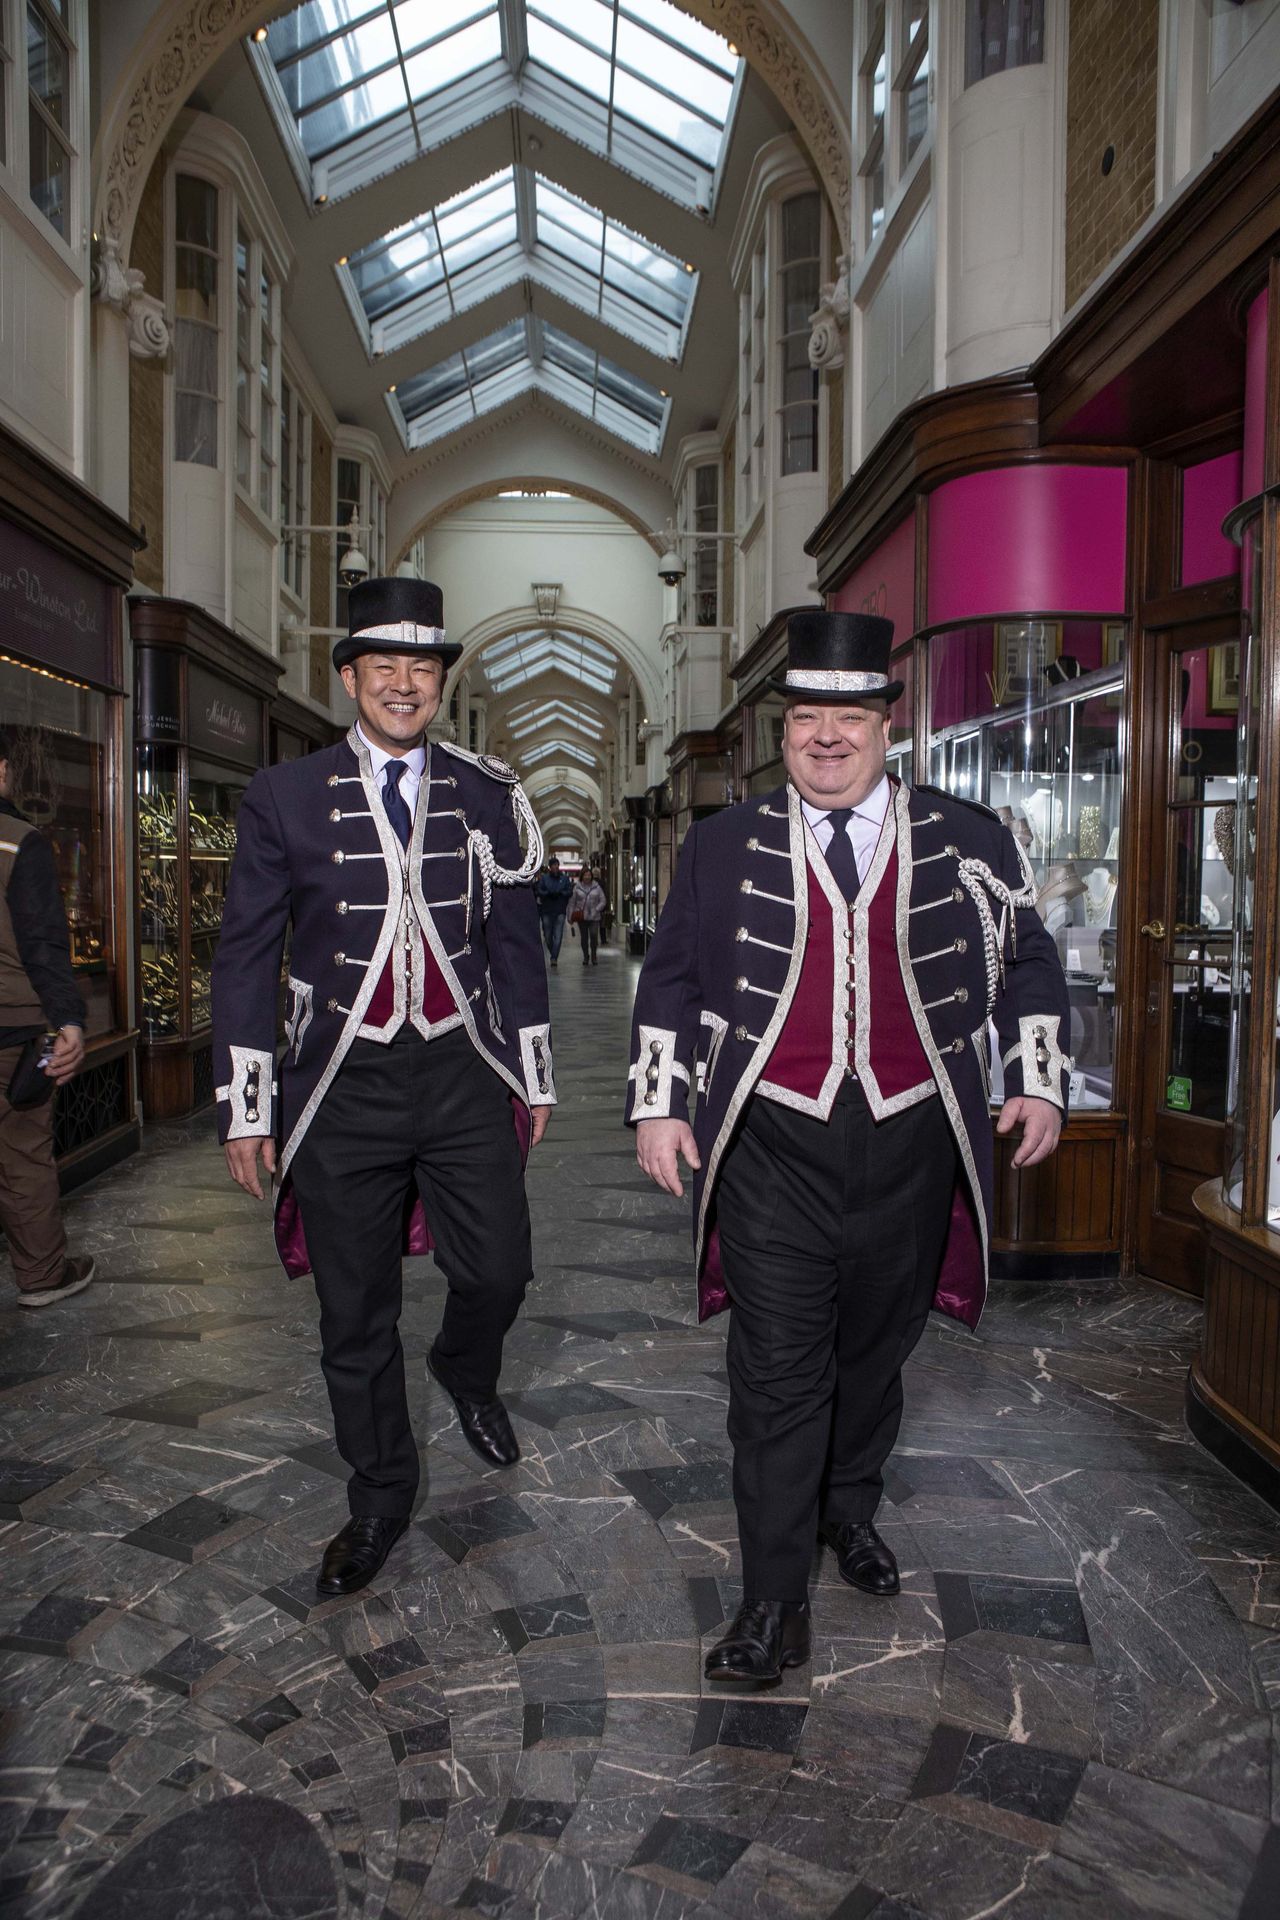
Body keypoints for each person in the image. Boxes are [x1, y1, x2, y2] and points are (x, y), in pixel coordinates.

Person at [628, 610, 1069, 1684]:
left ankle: (846, 1507)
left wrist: (1035, 1081)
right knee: (776, 1380)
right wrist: (659, 1102)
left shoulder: (969, 837)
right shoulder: (722, 844)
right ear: (783, 733)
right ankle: (770, 1606)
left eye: (850, 716)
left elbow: (1027, 964)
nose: (827, 736)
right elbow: (673, 979)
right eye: (808, 717)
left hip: (914, 1143)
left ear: (886, 724)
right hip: (770, 1146)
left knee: (873, 1357)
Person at [212, 577, 556, 1599]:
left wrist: (531, 1075)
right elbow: (244, 955)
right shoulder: (284, 794)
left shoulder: (485, 791)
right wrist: (247, 1107)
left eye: (422, 668)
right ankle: (377, 1496)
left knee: (499, 1270)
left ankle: (464, 1367)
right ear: (351, 678)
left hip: (458, 1070)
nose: (403, 685)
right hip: (339, 1085)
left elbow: (511, 945)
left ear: (440, 682)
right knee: (352, 1314)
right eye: (383, 667)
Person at [0, 734, 92, 1308]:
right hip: (13, 1029)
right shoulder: (19, 843)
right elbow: (42, 944)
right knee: (23, 1154)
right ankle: (40, 1275)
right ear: (4, 771)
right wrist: (69, 1021)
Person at [535, 857, 573, 967]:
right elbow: (539, 890)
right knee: (547, 936)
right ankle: (553, 953)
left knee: (558, 935)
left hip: (560, 910)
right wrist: (548, 893)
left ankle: (554, 957)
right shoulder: (544, 878)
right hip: (547, 910)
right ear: (550, 867)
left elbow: (569, 891)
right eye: (554, 865)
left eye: (557, 865)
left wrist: (561, 893)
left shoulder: (564, 878)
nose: (556, 867)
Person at [571, 865, 606, 967]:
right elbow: (572, 901)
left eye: (589, 875)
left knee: (594, 935)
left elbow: (603, 900)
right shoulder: (577, 887)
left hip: (594, 917)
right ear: (582, 876)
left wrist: (596, 909)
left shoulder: (597, 887)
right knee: (584, 938)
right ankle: (586, 956)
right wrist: (571, 915)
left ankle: (594, 955)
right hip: (582, 916)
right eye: (585, 875)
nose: (587, 877)